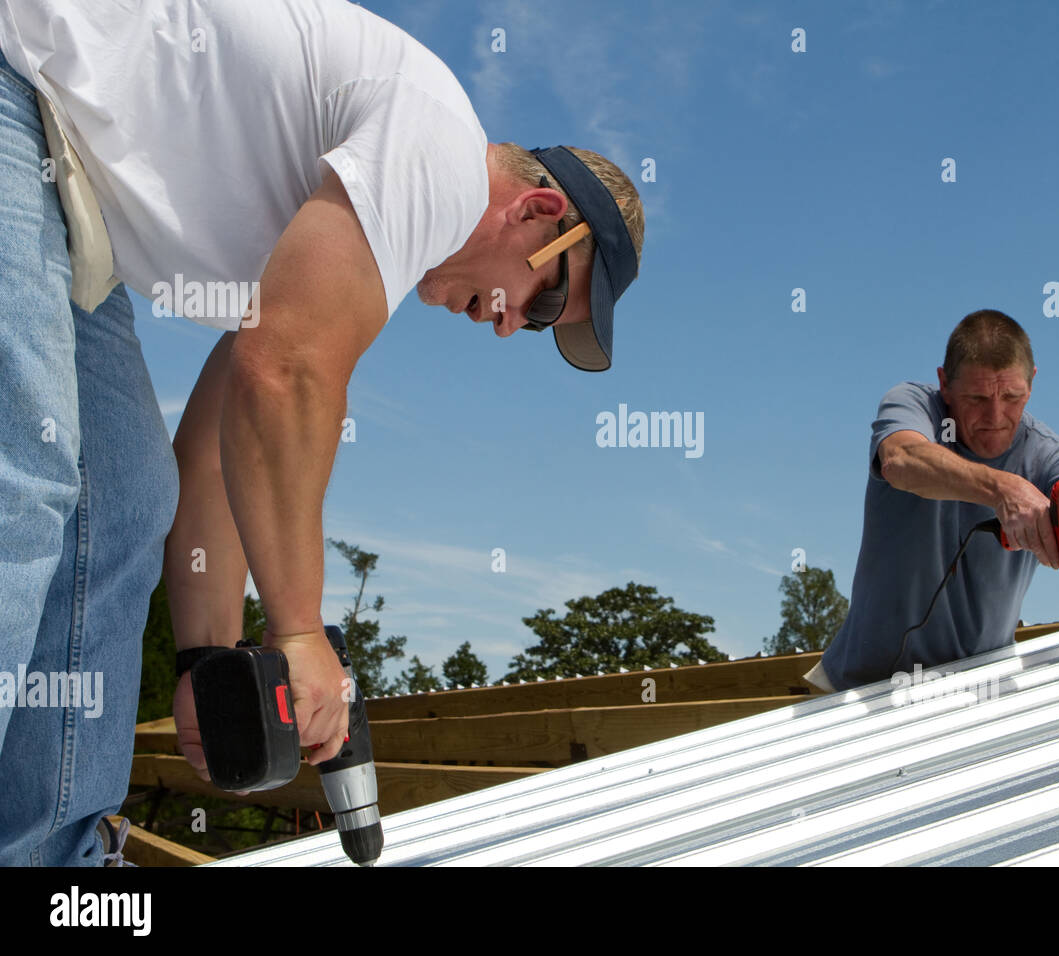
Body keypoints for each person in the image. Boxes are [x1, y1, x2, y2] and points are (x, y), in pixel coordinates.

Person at [0, 0, 643, 865]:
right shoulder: (443, 158)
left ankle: (46, 861)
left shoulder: (342, 231)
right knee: (24, 482)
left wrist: (209, 661)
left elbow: (223, 450)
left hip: (61, 182)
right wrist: (298, 632)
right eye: (549, 301)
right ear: (536, 209)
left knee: (123, 498)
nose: (510, 324)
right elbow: (287, 373)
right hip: (20, 85)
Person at [806, 310, 1059, 693]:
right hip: (855, 688)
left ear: (1031, 384)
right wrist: (1002, 490)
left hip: (973, 697)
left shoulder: (1058, 462)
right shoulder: (914, 405)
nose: (995, 416)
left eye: (1012, 397)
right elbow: (901, 461)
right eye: (977, 398)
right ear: (944, 384)